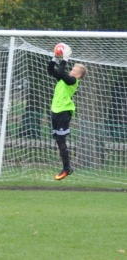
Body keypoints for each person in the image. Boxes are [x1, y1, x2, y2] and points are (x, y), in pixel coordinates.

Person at [48, 44, 87, 180]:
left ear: (79, 75)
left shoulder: (73, 81)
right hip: (55, 111)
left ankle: (67, 167)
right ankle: (66, 167)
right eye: (72, 68)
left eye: (74, 70)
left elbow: (61, 73)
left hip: (64, 112)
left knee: (61, 139)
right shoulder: (63, 80)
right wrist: (55, 58)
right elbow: (52, 70)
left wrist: (65, 59)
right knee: (59, 140)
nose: (72, 70)